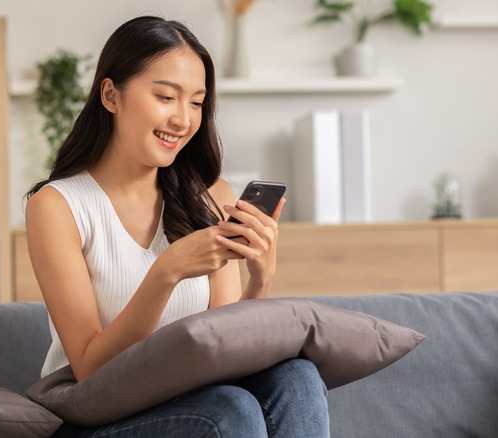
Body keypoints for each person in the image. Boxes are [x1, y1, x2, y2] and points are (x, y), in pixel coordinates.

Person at [25, 15, 329, 437]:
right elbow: (90, 367)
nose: (184, 120)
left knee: (297, 376)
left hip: (194, 401)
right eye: (167, 97)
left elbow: (228, 347)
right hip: (94, 417)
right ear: (111, 96)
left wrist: (261, 277)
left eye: (197, 103)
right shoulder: (57, 206)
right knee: (231, 410)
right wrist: (166, 272)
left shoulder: (211, 197)